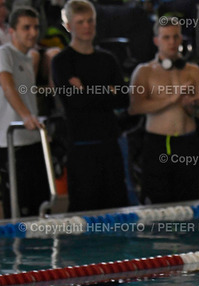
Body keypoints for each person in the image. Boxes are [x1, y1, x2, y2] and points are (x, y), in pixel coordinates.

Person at [51, 0, 129, 212]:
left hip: (110, 143)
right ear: (68, 26)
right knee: (85, 210)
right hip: (81, 147)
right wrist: (105, 90)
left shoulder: (107, 59)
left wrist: (86, 89)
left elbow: (123, 99)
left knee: (118, 210)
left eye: (90, 21)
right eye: (80, 22)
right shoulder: (62, 62)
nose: (86, 26)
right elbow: (75, 103)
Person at [129, 18, 199, 204]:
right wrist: (173, 98)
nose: (172, 42)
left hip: (187, 142)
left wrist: (192, 107)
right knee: (157, 206)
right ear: (156, 40)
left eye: (175, 37)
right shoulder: (144, 71)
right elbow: (136, 107)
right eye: (166, 37)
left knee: (190, 204)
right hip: (158, 143)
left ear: (181, 38)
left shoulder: (193, 71)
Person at [0, 6, 49, 218]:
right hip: (11, 143)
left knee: (39, 202)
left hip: (31, 139)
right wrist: (26, 116)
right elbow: (7, 85)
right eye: (26, 28)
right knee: (18, 206)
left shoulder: (28, 58)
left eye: (36, 27)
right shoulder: (4, 53)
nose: (32, 32)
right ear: (12, 31)